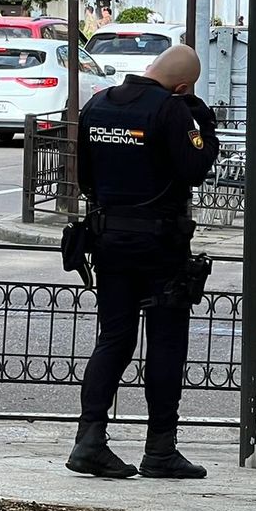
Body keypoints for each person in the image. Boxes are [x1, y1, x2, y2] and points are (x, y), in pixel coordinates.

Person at [66, 45, 220, 482]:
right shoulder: (171, 110)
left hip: (108, 241)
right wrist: (202, 121)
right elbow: (195, 166)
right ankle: (160, 449)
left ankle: (90, 440)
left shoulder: (98, 103)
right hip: (159, 247)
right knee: (166, 342)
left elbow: (85, 179)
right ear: (184, 85)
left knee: (114, 339)